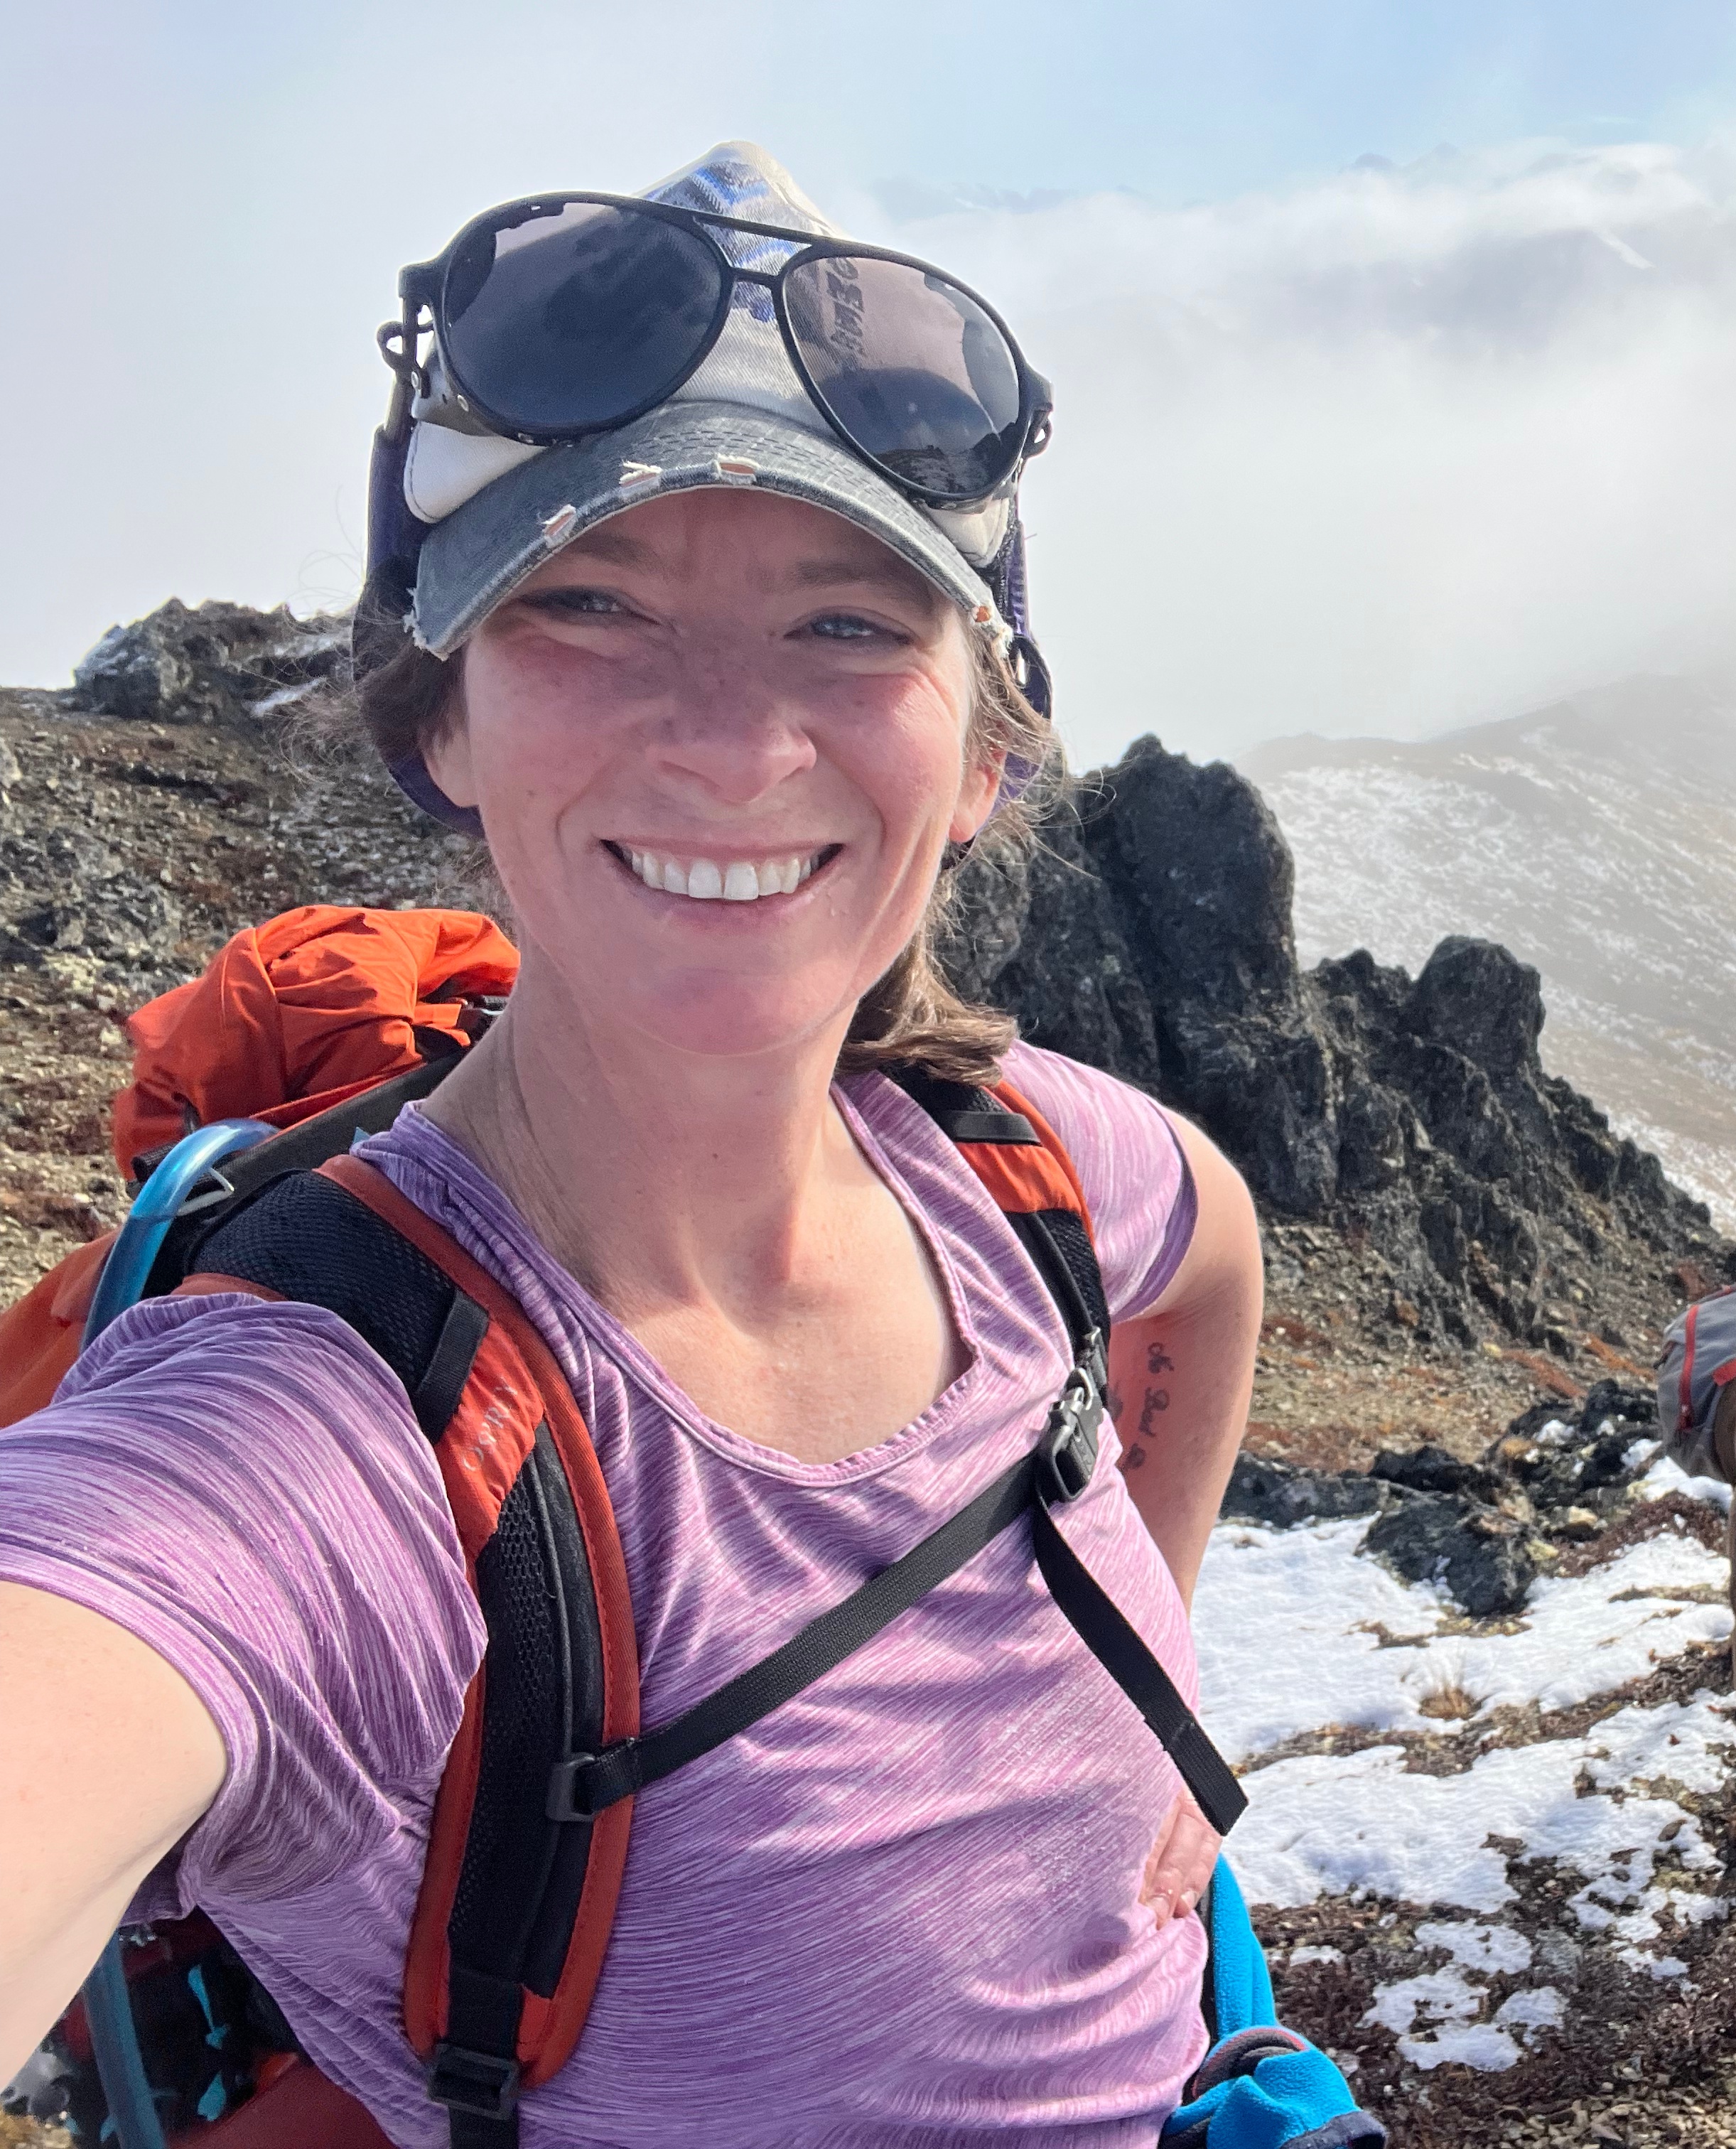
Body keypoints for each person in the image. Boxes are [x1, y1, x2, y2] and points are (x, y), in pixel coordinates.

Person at [0, 144, 1263, 2145]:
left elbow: (1214, 1252)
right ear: (441, 721)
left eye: (849, 627)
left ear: (984, 755)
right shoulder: (315, 1436)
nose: (728, 741)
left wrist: (1161, 1687)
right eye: (584, 605)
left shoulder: (1018, 1164)